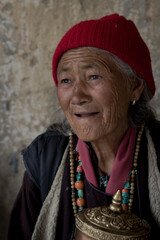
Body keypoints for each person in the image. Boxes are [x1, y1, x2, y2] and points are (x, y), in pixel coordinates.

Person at [6, 14, 160, 240]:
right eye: (66, 80)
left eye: (94, 76)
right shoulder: (46, 157)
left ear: (134, 86)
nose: (77, 96)